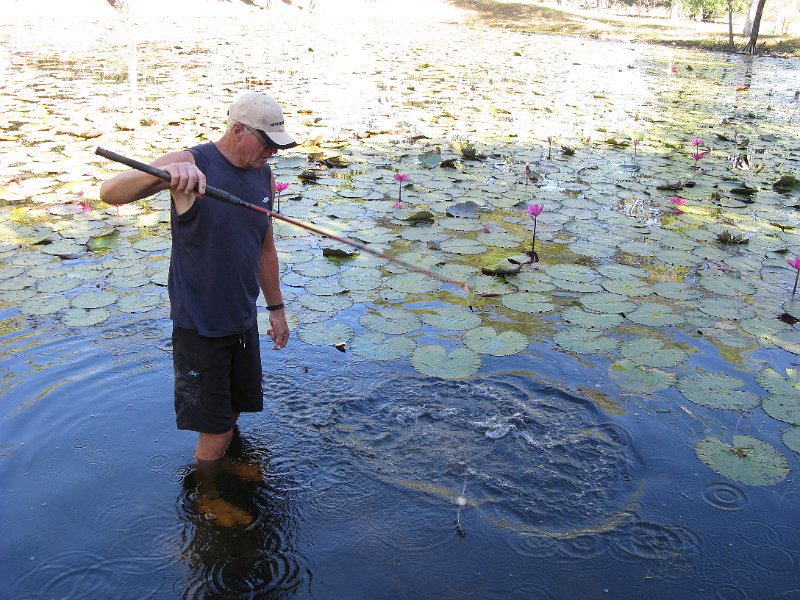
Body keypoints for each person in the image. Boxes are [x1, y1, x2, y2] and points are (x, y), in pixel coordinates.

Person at [100, 91, 295, 464]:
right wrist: (166, 176)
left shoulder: (264, 174)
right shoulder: (190, 162)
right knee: (216, 425)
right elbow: (110, 193)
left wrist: (276, 308)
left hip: (241, 319)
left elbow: (264, 246)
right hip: (200, 324)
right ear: (239, 130)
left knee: (237, 406)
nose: (273, 151)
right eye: (267, 142)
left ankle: (225, 469)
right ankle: (207, 498)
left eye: (277, 145)